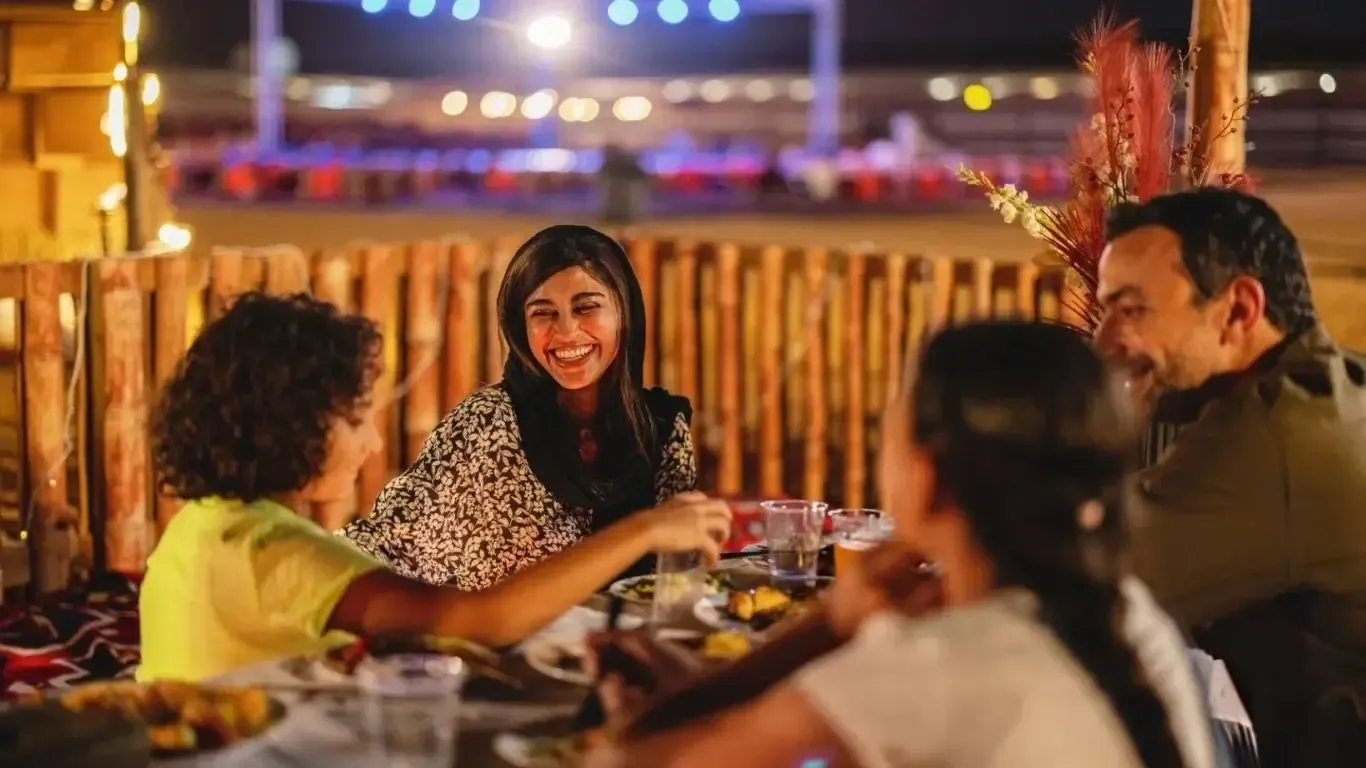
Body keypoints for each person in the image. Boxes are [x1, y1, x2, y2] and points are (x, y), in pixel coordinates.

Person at [589, 322, 1215, 767]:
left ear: (928, 474)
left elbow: (630, 761)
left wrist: (830, 627)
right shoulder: (1125, 614)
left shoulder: (940, 660)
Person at [138, 292, 729, 683]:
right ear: (284, 425)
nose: (372, 443)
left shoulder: (206, 524)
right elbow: (477, 620)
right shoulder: (268, 551)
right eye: (354, 418)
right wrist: (646, 528)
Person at [1094, 188, 1366, 764]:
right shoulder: (1332, 386)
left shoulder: (1272, 436)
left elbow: (1088, 585)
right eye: (1106, 309)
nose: (1106, 340)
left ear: (1239, 309)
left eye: (1133, 308)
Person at [342, 225, 700, 589]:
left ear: (625, 313)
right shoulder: (489, 425)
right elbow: (387, 544)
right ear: (520, 329)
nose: (566, 331)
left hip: (627, 642)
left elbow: (679, 576)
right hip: (510, 644)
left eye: (586, 307)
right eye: (543, 313)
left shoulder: (662, 429)